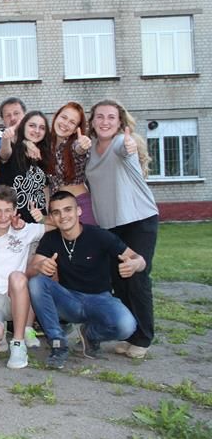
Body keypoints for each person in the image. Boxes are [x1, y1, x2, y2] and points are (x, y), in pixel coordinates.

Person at [28, 191, 143, 369]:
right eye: (56, 212)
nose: (63, 216)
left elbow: (138, 258)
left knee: (126, 326)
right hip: (69, 300)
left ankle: (90, 335)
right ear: (51, 217)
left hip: (100, 299)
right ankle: (58, 344)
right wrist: (40, 266)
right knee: (36, 282)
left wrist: (134, 264)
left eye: (68, 210)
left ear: (79, 211)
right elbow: (31, 270)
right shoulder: (50, 239)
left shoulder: (99, 235)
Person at [86, 100, 158, 359]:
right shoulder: (91, 148)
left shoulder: (120, 143)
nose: (105, 122)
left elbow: (128, 151)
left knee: (137, 277)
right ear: (92, 121)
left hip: (138, 220)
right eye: (100, 117)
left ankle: (143, 338)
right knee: (119, 280)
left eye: (111, 117)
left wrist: (130, 147)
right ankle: (131, 335)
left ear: (120, 122)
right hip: (110, 225)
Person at [0, 186, 46, 369]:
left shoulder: (24, 230)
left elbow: (61, 225)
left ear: (15, 211)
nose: (3, 216)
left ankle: (18, 343)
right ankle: (0, 330)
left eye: (8, 210)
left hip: (16, 297)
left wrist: (42, 218)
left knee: (17, 277)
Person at [0, 110, 52, 223]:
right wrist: (6, 138)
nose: (37, 130)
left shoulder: (44, 155)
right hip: (14, 221)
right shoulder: (13, 150)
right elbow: (4, 153)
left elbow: (45, 190)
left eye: (42, 128)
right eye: (32, 125)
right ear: (23, 127)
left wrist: (45, 217)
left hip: (38, 222)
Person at [48, 102, 96, 225]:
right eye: (64, 117)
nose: (65, 124)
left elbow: (79, 150)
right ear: (56, 117)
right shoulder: (47, 144)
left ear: (75, 129)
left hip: (80, 206)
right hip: (58, 209)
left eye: (72, 122)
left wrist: (82, 146)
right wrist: (28, 143)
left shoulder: (74, 145)